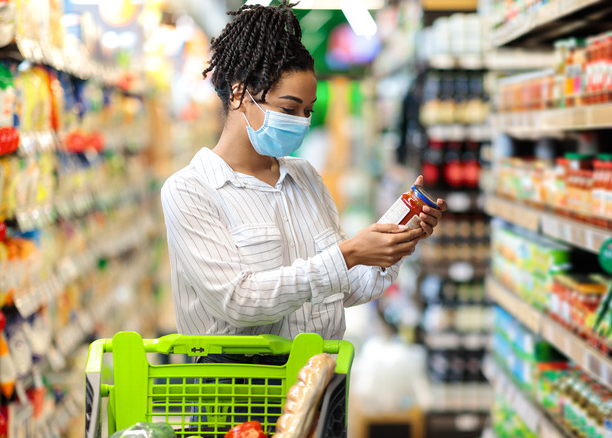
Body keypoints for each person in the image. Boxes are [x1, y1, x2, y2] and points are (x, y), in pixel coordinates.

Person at [161, 0, 446, 347]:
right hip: (238, 391)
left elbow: (345, 287)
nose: (301, 122)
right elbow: (238, 301)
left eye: (307, 111)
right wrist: (348, 254)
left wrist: (396, 237)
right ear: (239, 94)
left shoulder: (305, 177)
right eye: (288, 108)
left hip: (320, 380)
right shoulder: (190, 190)